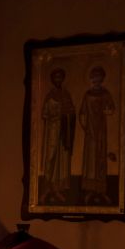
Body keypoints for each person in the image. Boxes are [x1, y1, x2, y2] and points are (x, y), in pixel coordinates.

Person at [78, 66, 116, 204]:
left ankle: (101, 191)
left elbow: (111, 108)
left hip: (100, 131)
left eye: (99, 77)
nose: (96, 79)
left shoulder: (105, 93)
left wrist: (107, 110)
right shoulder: (87, 95)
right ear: (91, 79)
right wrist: (85, 127)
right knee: (90, 160)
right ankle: (89, 191)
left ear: (102, 79)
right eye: (94, 77)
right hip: (90, 132)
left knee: (100, 158)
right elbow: (82, 113)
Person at [40, 68, 75, 202]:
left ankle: (57, 190)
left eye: (60, 77)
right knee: (50, 159)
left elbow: (71, 111)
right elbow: (45, 114)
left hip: (64, 132)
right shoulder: (50, 96)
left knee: (61, 160)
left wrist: (68, 114)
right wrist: (55, 115)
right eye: (56, 77)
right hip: (52, 132)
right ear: (52, 79)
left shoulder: (66, 94)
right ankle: (47, 188)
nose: (58, 80)